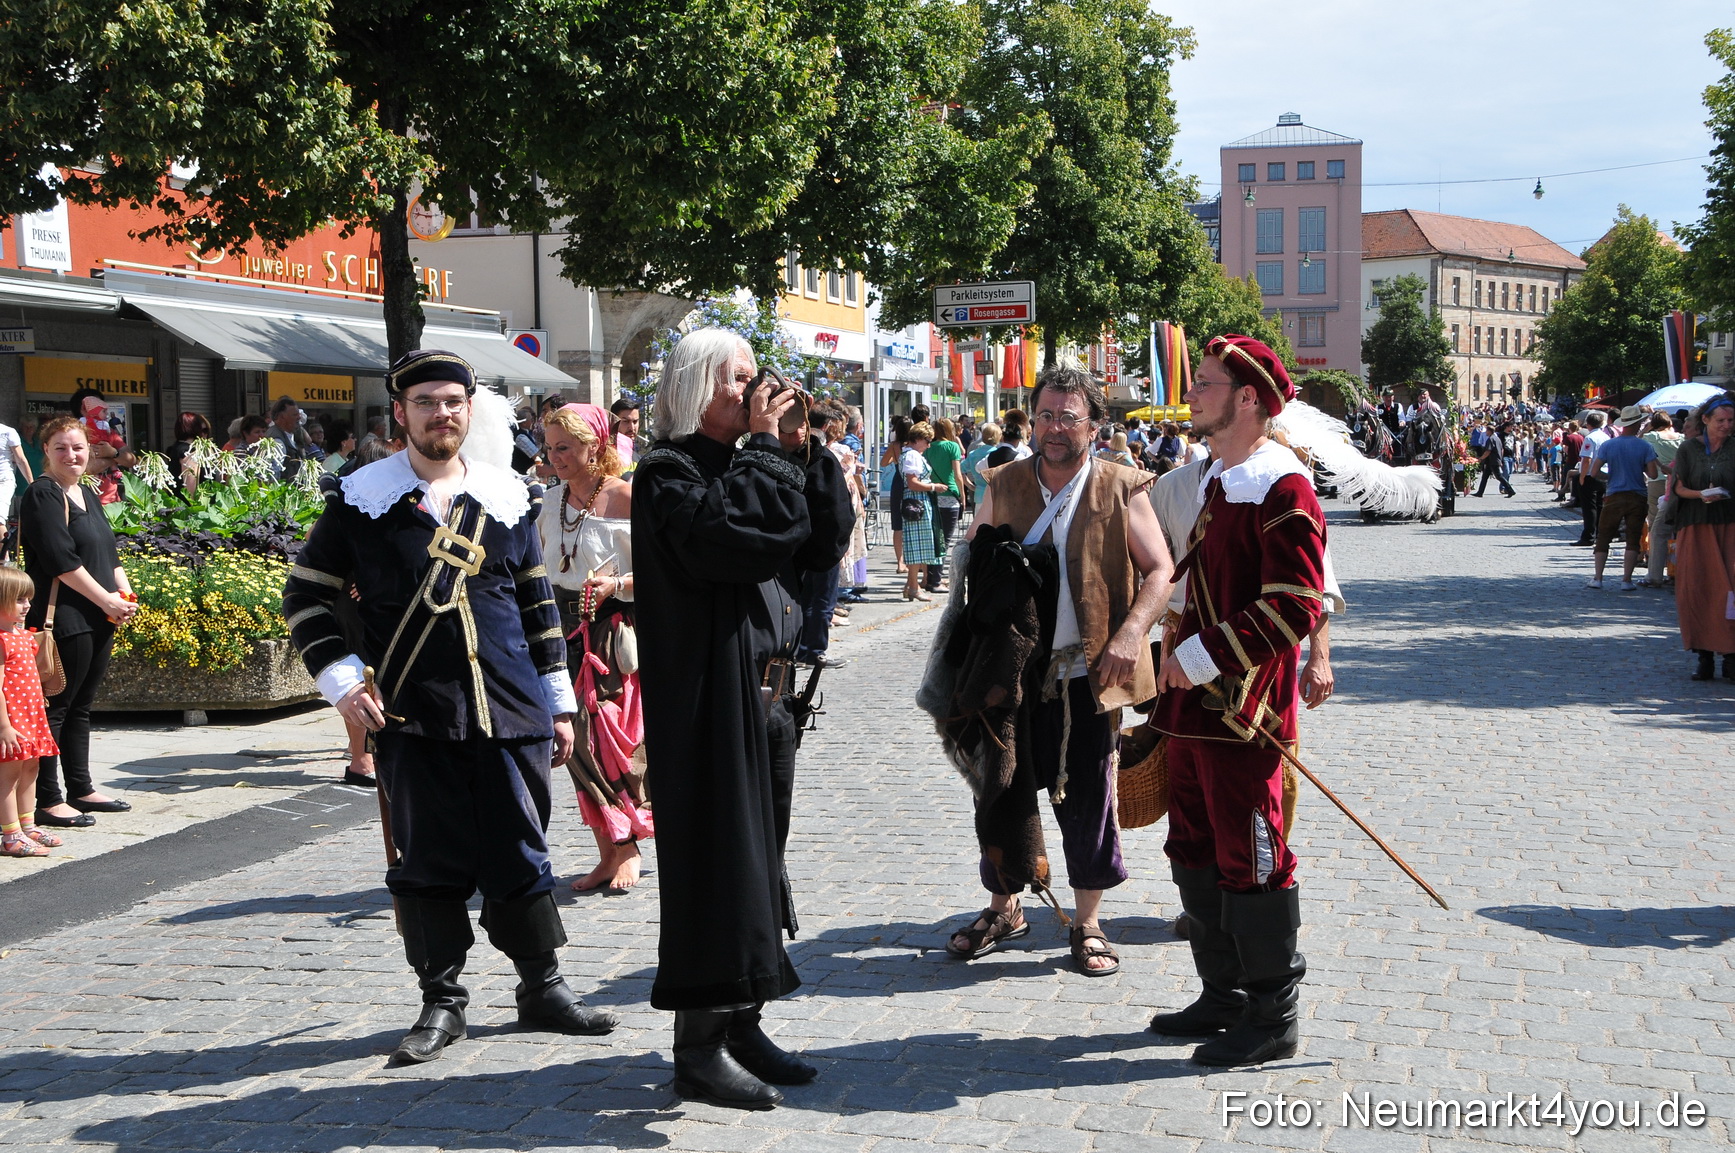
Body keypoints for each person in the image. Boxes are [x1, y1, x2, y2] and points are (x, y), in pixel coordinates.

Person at [282, 349, 615, 1065]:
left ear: (470, 409)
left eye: (453, 402)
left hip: (511, 709)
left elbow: (537, 606)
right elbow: (305, 596)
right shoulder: (361, 499)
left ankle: (542, 986)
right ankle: (441, 999)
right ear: (400, 413)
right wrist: (341, 680)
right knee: (427, 860)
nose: (442, 414)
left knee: (522, 850)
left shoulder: (507, 495)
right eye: (427, 402)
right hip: (415, 715)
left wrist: (558, 703)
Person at [632, 328, 828, 1109]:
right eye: (737, 378)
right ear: (695, 384)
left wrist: (798, 450)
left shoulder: (743, 462)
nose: (752, 391)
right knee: (719, 866)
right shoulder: (667, 472)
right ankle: (699, 1046)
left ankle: (743, 1020)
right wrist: (764, 453)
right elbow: (735, 540)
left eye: (754, 377)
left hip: (770, 698)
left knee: (757, 866)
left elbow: (816, 540)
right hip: (710, 701)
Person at [947, 365, 1175, 977]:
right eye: (1045, 415)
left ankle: (1088, 921)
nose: (1053, 428)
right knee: (1002, 790)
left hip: (1089, 674)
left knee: (1089, 799)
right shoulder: (1003, 482)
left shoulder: (1123, 485)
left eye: (1068, 417)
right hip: (1013, 674)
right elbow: (973, 565)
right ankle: (1004, 908)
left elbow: (1161, 570)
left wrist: (1131, 633)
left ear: (1094, 426)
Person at [1150, 335, 1327, 1067]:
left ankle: (1271, 1013)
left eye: (1206, 382)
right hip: (1193, 708)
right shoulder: (1220, 480)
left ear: (1248, 397)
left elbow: (1296, 604)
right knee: (1192, 846)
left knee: (1253, 855)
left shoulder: (1283, 488)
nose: (1192, 393)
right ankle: (1221, 994)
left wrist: (1198, 656)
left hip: (1244, 713)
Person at [536, 402, 649, 892]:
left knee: (605, 739)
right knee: (570, 740)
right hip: (558, 630)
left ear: (594, 446)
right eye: (550, 447)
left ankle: (628, 845)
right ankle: (609, 850)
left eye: (564, 447)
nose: (554, 457)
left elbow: (665, 571)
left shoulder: (626, 497)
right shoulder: (550, 502)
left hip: (610, 633)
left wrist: (616, 585)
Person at [21, 416, 139, 830]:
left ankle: (81, 788)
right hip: (65, 615)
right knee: (56, 707)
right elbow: (61, 559)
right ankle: (48, 799)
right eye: (61, 448)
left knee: (82, 707)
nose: (71, 455)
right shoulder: (43, 494)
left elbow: (108, 552)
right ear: (46, 451)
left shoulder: (85, 492)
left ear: (89, 450)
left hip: (100, 612)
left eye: (78, 447)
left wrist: (124, 596)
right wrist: (106, 599)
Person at [1670, 395, 1735, 681]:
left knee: (1729, 590)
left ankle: (1731, 655)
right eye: (1721, 420)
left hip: (1729, 524)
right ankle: (1704, 655)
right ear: (1705, 420)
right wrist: (1701, 495)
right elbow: (1678, 487)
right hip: (1696, 525)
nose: (1726, 425)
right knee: (1697, 589)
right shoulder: (1688, 448)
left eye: (1731, 420)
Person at [0, 569, 60, 858]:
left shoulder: (24, 636)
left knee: (31, 769)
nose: (27, 605)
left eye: (28, 599)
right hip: (11, 719)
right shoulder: (2, 640)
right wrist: (4, 726)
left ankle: (27, 825)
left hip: (30, 715)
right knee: (9, 775)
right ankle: (10, 835)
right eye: (19, 599)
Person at [1587, 406, 1658, 591]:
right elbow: (1653, 473)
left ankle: (1598, 578)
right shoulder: (1645, 446)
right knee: (1633, 539)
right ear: (1637, 423)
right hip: (1638, 495)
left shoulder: (1609, 445)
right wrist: (1639, 467)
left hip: (1614, 495)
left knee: (1604, 537)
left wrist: (1610, 477)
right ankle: (1626, 580)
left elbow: (1593, 472)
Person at [899, 422, 946, 601]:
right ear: (918, 439)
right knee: (917, 545)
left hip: (916, 500)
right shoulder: (912, 455)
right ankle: (913, 587)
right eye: (927, 441)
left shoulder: (910, 453)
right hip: (917, 501)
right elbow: (912, 483)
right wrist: (933, 486)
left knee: (918, 543)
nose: (928, 445)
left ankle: (910, 585)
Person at [1641, 411, 1685, 586]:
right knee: (1675, 528)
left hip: (1658, 480)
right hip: (1678, 483)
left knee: (1656, 525)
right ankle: (1673, 566)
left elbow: (1638, 441)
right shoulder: (1682, 438)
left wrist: (1646, 428)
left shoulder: (1652, 436)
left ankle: (1655, 568)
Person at [68, 389, 134, 505]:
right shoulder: (73, 434)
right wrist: (112, 457)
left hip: (113, 504)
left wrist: (113, 453)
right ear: (84, 409)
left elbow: (131, 460)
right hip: (84, 503)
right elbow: (88, 469)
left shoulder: (109, 432)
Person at [924, 418, 966, 591]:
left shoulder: (928, 447)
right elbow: (957, 474)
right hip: (949, 494)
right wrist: (963, 495)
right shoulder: (952, 446)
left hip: (932, 495)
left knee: (934, 538)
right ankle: (936, 580)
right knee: (945, 540)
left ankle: (930, 577)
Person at [1574, 411, 1610, 545]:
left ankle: (1588, 536)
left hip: (1590, 475)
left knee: (1589, 507)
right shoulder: (1606, 437)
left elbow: (1587, 459)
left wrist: (1582, 476)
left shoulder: (1590, 438)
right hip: (1604, 474)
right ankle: (1600, 534)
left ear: (1588, 424)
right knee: (1600, 506)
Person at [164, 413, 212, 495]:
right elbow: (190, 490)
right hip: (185, 501)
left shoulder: (175, 448)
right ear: (195, 429)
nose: (206, 435)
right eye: (204, 430)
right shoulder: (188, 452)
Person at [961, 422, 1000, 509]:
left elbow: (960, 470)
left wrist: (970, 485)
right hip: (996, 495)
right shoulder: (998, 453)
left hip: (979, 494)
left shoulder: (973, 454)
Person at [1475, 420, 1515, 497]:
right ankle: (1480, 492)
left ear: (1489, 431)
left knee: (1499, 476)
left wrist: (1481, 458)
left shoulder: (1491, 439)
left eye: (1487, 431)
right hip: (1491, 461)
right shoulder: (1497, 439)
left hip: (1493, 461)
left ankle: (1510, 490)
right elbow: (1501, 449)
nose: (1486, 432)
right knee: (1484, 477)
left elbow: (1488, 451)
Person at [610, 398, 646, 468]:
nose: (632, 428)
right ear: (613, 421)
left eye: (635, 422)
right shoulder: (605, 457)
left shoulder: (638, 459)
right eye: (625, 421)